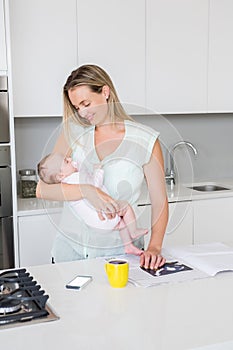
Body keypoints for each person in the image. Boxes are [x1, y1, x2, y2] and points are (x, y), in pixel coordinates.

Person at [36, 64, 168, 269]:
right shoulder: (72, 133)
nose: (82, 113)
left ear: (105, 92)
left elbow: (159, 201)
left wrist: (155, 247)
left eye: (86, 103)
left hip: (121, 256)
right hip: (69, 255)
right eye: (77, 107)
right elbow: (42, 189)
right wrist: (86, 190)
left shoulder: (145, 140)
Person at [37, 152, 148, 256]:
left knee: (121, 223)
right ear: (60, 176)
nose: (70, 159)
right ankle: (133, 232)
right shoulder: (76, 178)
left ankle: (128, 246)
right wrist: (98, 171)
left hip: (97, 224)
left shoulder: (67, 184)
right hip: (104, 216)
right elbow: (95, 185)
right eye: (66, 161)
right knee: (125, 207)